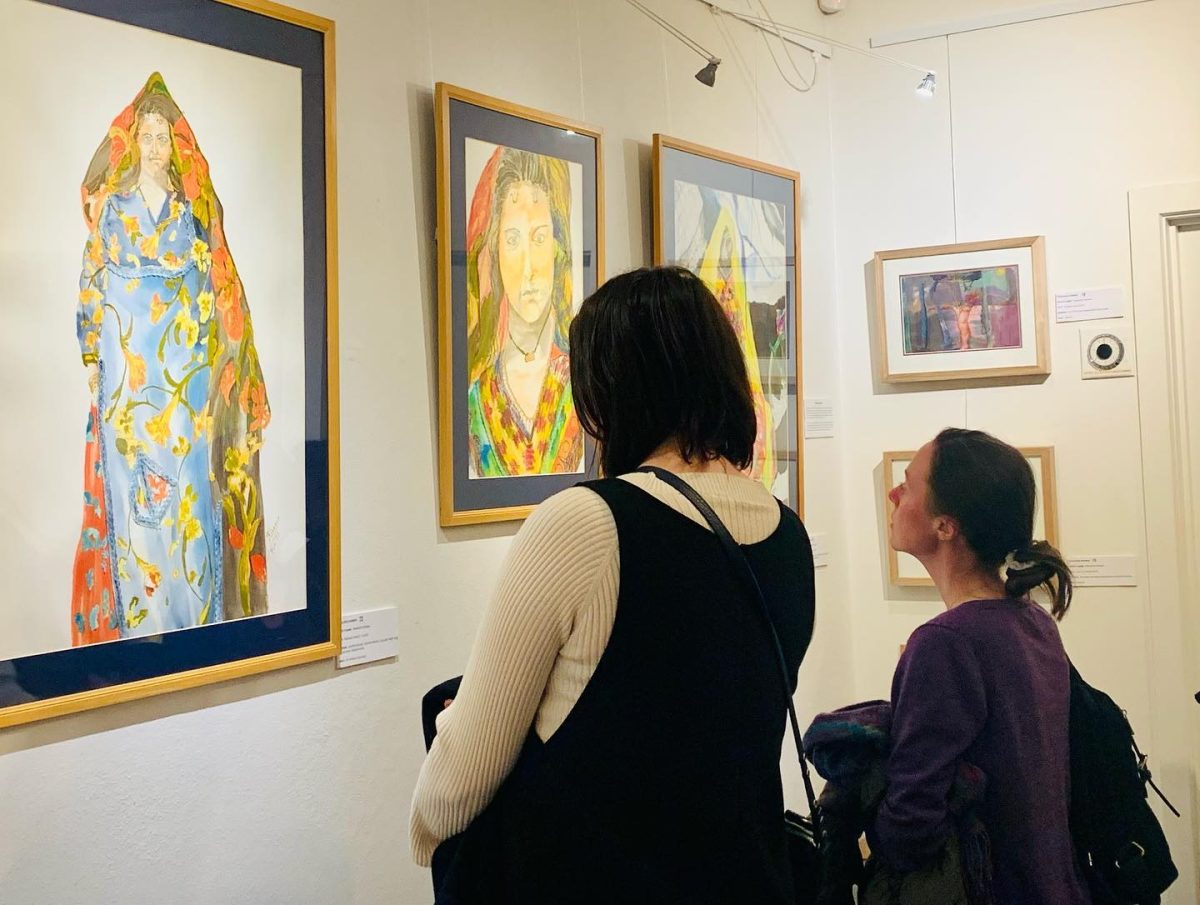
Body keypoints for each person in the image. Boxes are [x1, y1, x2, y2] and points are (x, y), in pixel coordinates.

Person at [411, 266, 816, 903]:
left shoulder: (586, 523)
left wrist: (429, 821)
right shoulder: (788, 536)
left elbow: (458, 784)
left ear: (609, 394)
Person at [71, 73, 270, 645]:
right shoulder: (113, 212)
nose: (155, 147)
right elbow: (91, 282)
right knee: (137, 508)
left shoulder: (190, 216)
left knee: (187, 497)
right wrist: (90, 352)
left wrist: (215, 368)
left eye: (164, 137)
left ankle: (194, 627)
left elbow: (212, 302)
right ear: (133, 141)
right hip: (127, 389)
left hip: (184, 383)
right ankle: (142, 631)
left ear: (176, 146)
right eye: (147, 135)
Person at [871, 428, 1090, 903]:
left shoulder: (946, 643)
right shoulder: (1032, 621)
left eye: (907, 485)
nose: (893, 493)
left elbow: (911, 821)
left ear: (945, 526)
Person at [464, 146, 582, 477]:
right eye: (513, 241)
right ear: (495, 252)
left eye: (540, 238)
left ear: (559, 248)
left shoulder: (584, 382)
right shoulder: (477, 398)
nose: (529, 268)